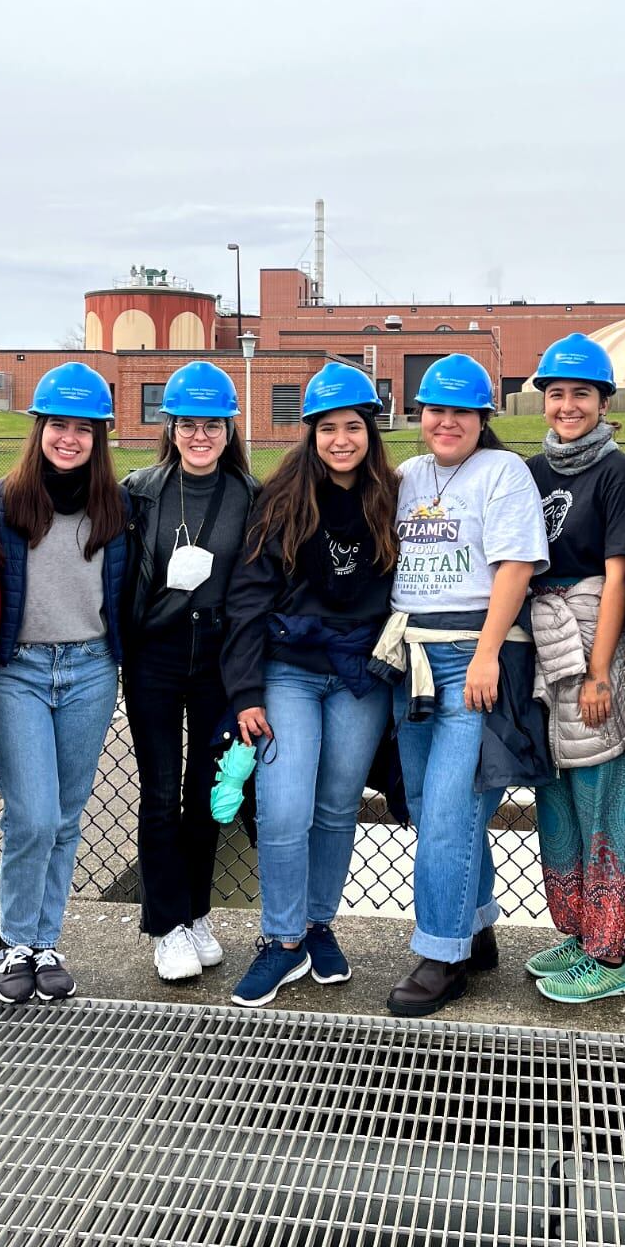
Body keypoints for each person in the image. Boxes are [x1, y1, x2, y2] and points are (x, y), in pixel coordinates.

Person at [379, 354, 550, 1018]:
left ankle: (441, 953)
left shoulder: (501, 473)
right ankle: (475, 928)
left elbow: (513, 570)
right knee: (430, 806)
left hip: (473, 657)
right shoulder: (407, 476)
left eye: (461, 412)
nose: (446, 422)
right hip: (410, 657)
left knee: (451, 811)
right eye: (435, 410)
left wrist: (485, 655)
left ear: (483, 418)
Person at [224, 363, 399, 1007]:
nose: (341, 439)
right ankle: (280, 938)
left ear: (370, 432)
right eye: (328, 428)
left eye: (353, 426)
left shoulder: (393, 497)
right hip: (290, 672)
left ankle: (318, 924)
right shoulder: (280, 499)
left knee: (335, 806)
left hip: (361, 676)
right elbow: (247, 598)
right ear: (311, 434)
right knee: (284, 806)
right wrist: (245, 692)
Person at [0, 362, 129, 1005]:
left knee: (67, 816)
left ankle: (45, 941)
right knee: (32, 815)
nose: (69, 438)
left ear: (99, 436)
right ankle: (13, 939)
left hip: (91, 667)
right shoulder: (0, 500)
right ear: (39, 428)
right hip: (19, 670)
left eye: (83, 428)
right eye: (57, 425)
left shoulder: (117, 507)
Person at [122, 362, 256, 981]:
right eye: (187, 424)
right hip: (157, 654)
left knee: (207, 791)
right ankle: (165, 923)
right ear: (170, 427)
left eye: (211, 425)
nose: (199, 436)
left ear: (228, 430)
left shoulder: (251, 497)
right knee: (159, 790)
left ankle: (197, 912)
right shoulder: (141, 490)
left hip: (218, 660)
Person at [524, 335, 625, 1005]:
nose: (568, 406)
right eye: (558, 394)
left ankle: (612, 950)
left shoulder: (616, 471)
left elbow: (616, 573)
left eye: (581, 394)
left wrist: (600, 671)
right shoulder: (531, 470)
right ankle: (577, 930)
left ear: (603, 403)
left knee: (606, 797)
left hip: (592, 642)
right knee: (558, 801)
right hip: (544, 647)